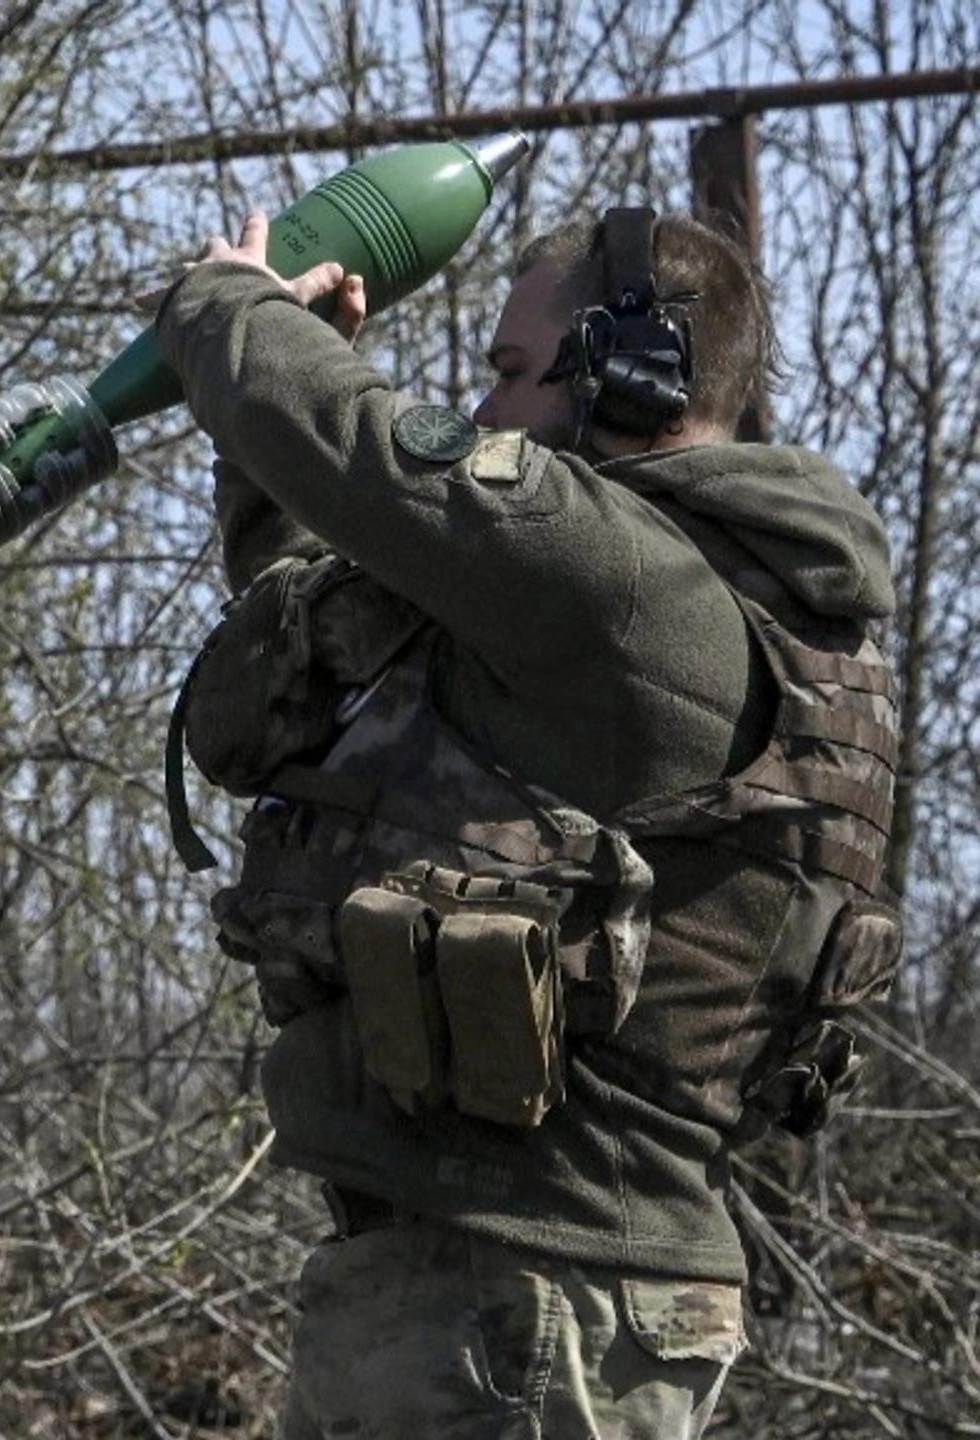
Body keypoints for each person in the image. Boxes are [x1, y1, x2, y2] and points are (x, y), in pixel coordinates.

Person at [155, 203, 901, 1439]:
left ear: (630, 363)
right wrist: (264, 424)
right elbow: (324, 639)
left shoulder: (630, 584)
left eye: (509, 372)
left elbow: (367, 454)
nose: (491, 411)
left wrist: (228, 307)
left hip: (524, 1309)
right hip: (528, 1293)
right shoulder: (664, 599)